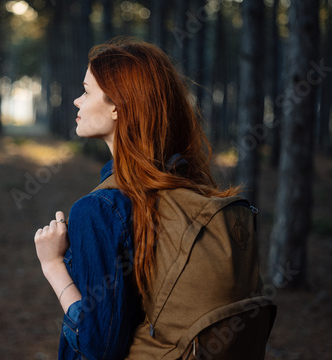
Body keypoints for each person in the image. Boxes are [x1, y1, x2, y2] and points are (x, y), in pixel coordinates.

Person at [34, 37, 242, 359]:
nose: (77, 101)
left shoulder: (98, 209)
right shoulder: (184, 184)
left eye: (86, 91)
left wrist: (52, 265)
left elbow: (99, 349)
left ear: (117, 106)